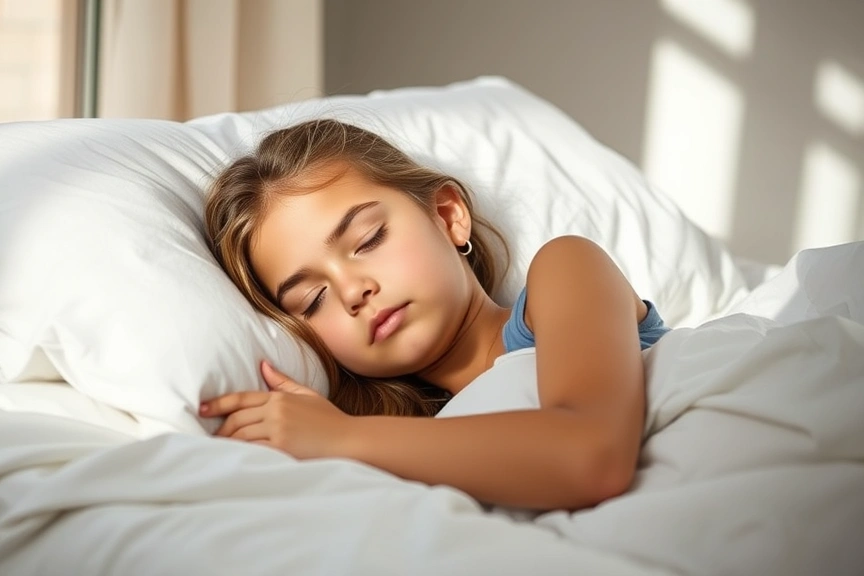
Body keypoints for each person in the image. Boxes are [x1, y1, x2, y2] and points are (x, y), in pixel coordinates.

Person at [201, 119, 669, 511]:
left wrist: (340, 436)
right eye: (314, 299)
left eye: (368, 240)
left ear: (447, 216)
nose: (353, 291)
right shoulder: (415, 456)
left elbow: (593, 455)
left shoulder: (565, 268)